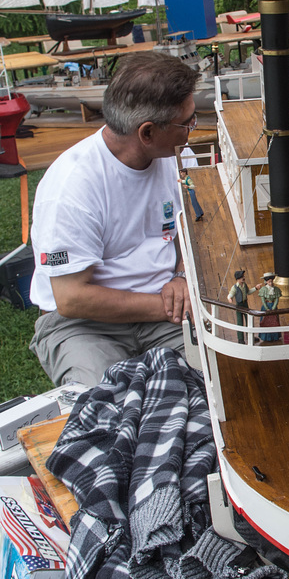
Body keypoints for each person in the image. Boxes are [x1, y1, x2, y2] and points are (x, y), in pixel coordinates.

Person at [29, 52, 200, 387]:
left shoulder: (180, 157)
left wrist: (182, 275)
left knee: (223, 387)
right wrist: (166, 306)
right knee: (101, 408)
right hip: (85, 324)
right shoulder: (72, 188)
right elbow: (71, 297)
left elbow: (192, 225)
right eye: (187, 123)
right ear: (147, 133)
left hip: (164, 307)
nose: (192, 130)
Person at [227, 269, 260, 344]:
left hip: (245, 304)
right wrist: (230, 298)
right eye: (242, 277)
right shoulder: (235, 287)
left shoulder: (244, 285)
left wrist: (255, 288)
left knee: (249, 320)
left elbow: (248, 292)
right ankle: (240, 338)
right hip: (239, 305)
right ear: (238, 278)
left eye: (243, 276)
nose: (243, 278)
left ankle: (250, 336)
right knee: (240, 322)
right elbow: (231, 294)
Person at [258, 272, 282, 343]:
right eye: (269, 282)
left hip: (273, 306)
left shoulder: (276, 289)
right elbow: (263, 300)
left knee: (274, 321)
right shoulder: (263, 290)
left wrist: (274, 306)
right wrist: (266, 308)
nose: (271, 283)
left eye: (271, 281)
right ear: (266, 282)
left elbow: (277, 298)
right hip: (266, 306)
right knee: (265, 322)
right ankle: (265, 337)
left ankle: (275, 336)